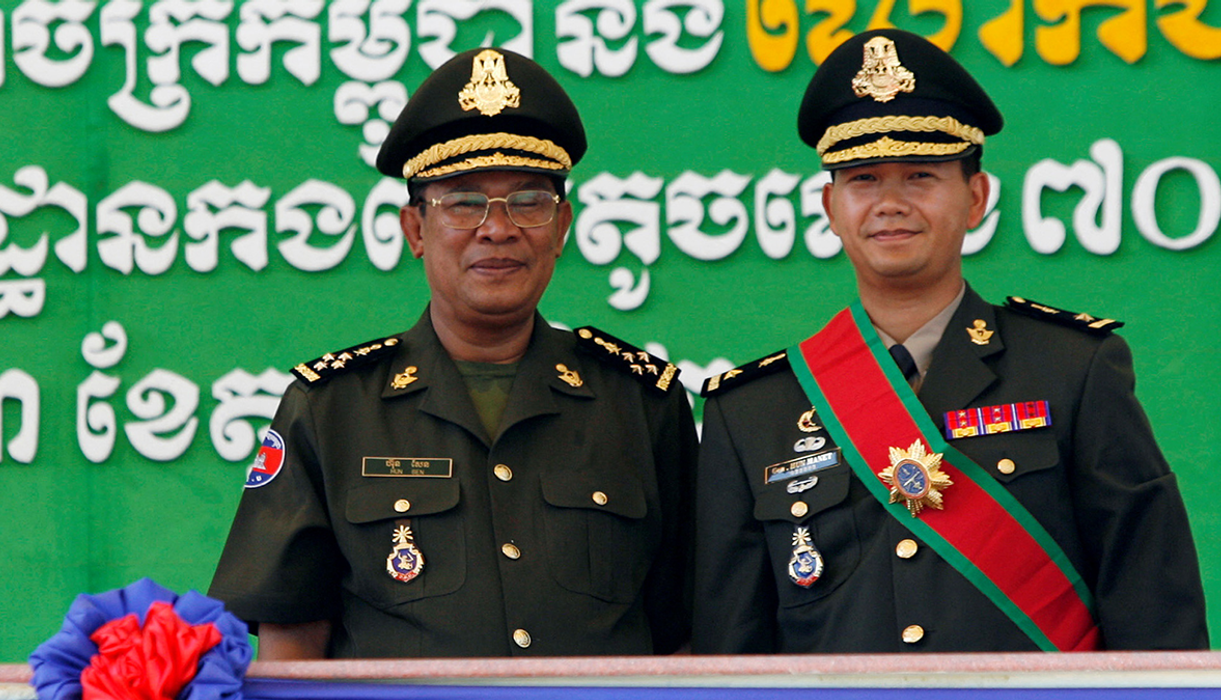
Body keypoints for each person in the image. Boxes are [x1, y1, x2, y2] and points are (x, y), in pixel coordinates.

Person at [693, 29, 1208, 653]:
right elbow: (732, 650)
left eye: (920, 175)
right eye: (862, 179)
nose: (890, 203)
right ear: (830, 207)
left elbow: (1153, 607)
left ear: (976, 198)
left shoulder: (1074, 368)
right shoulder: (751, 412)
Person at [210, 48, 695, 659]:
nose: (498, 228)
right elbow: (292, 643)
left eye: (528, 201)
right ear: (415, 229)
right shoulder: (332, 408)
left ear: (563, 225)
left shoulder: (640, 402)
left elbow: (687, 635)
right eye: (464, 202)